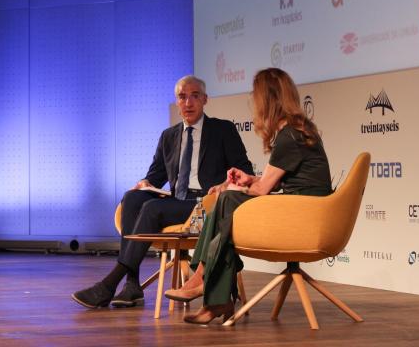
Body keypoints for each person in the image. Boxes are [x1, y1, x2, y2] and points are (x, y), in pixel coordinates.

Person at [164, 68, 332, 324]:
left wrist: (235, 188)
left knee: (227, 201)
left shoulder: (290, 136)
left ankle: (205, 280)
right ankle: (213, 296)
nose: (254, 103)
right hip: (302, 209)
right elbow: (271, 183)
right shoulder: (297, 130)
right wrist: (248, 180)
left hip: (305, 218)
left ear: (269, 99)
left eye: (256, 96)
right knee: (228, 212)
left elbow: (264, 190)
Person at [72, 75, 253, 309]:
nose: (188, 102)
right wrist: (144, 183)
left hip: (205, 208)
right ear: (177, 102)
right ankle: (132, 284)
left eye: (194, 96)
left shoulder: (223, 130)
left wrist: (224, 185)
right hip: (177, 203)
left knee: (153, 207)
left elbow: (245, 172)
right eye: (182, 97)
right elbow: (155, 176)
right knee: (133, 198)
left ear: (205, 100)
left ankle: (109, 284)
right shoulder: (168, 136)